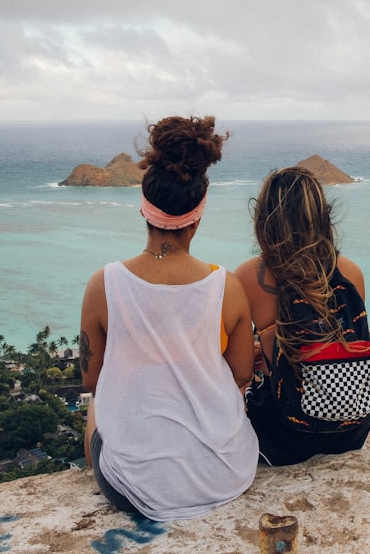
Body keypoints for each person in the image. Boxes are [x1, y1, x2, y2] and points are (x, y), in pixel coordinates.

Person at [79, 115, 258, 521]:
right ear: (198, 215)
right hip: (225, 473)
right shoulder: (226, 286)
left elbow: (91, 378)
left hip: (134, 489)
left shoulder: (102, 284)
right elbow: (242, 375)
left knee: (96, 402)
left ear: (144, 209)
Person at [235, 166, 370, 466]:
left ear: (264, 221)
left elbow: (238, 369)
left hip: (287, 434)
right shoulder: (351, 272)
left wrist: (262, 351)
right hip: (352, 429)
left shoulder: (249, 276)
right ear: (323, 217)